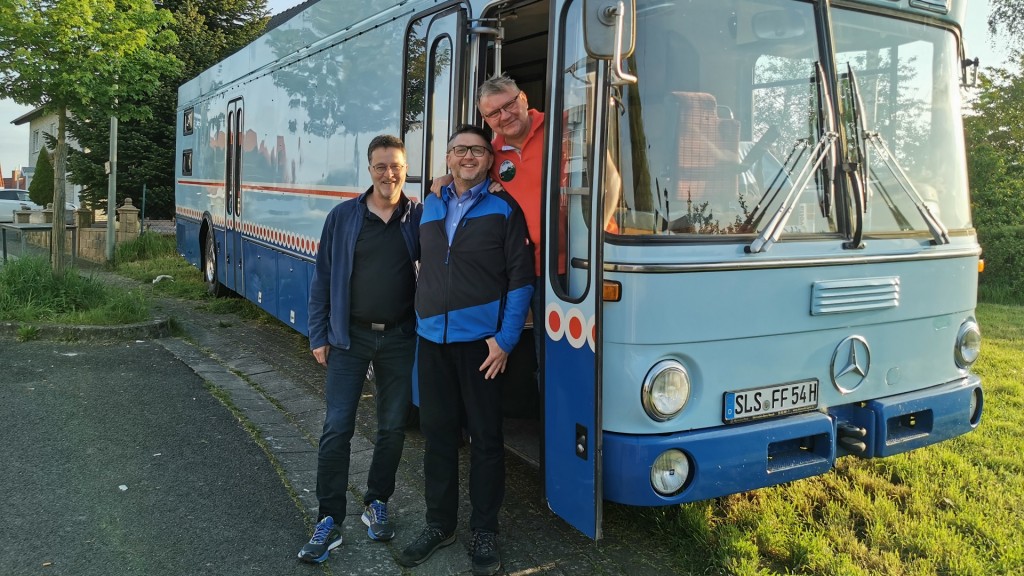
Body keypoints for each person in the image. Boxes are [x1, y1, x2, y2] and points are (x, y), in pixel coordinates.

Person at [399, 125, 534, 576]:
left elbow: (521, 279)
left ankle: (484, 530)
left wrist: (505, 340)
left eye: (476, 150)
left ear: (489, 159)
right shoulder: (430, 205)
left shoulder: (504, 208)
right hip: (432, 342)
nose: (467, 157)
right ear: (448, 160)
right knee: (437, 437)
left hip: (481, 348)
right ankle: (440, 525)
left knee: (486, 441)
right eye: (459, 151)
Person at [298, 134, 421, 563]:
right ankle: (329, 518)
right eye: (381, 166)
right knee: (337, 427)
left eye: (397, 166)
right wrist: (318, 334)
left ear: (407, 169)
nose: (389, 174)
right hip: (349, 338)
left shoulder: (419, 217)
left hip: (400, 337)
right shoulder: (344, 217)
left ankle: (376, 502)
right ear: (369, 170)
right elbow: (323, 279)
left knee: (391, 427)